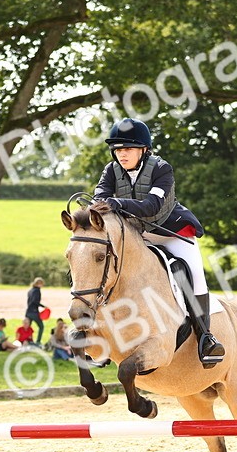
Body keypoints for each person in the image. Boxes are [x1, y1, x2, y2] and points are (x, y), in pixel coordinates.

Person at [94, 117, 224, 365]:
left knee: (194, 276)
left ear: (143, 149)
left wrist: (118, 203)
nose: (122, 154)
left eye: (128, 149)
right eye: (118, 149)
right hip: (137, 236)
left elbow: (151, 206)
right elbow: (100, 197)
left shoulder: (161, 169)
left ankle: (206, 338)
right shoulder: (111, 170)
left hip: (170, 232)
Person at [25, 278, 47, 345]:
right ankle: (38, 341)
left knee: (27, 328)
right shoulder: (37, 291)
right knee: (41, 326)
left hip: (28, 311)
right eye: (42, 284)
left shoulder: (30, 290)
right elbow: (35, 301)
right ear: (39, 283)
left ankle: (27, 341)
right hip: (34, 312)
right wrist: (43, 306)